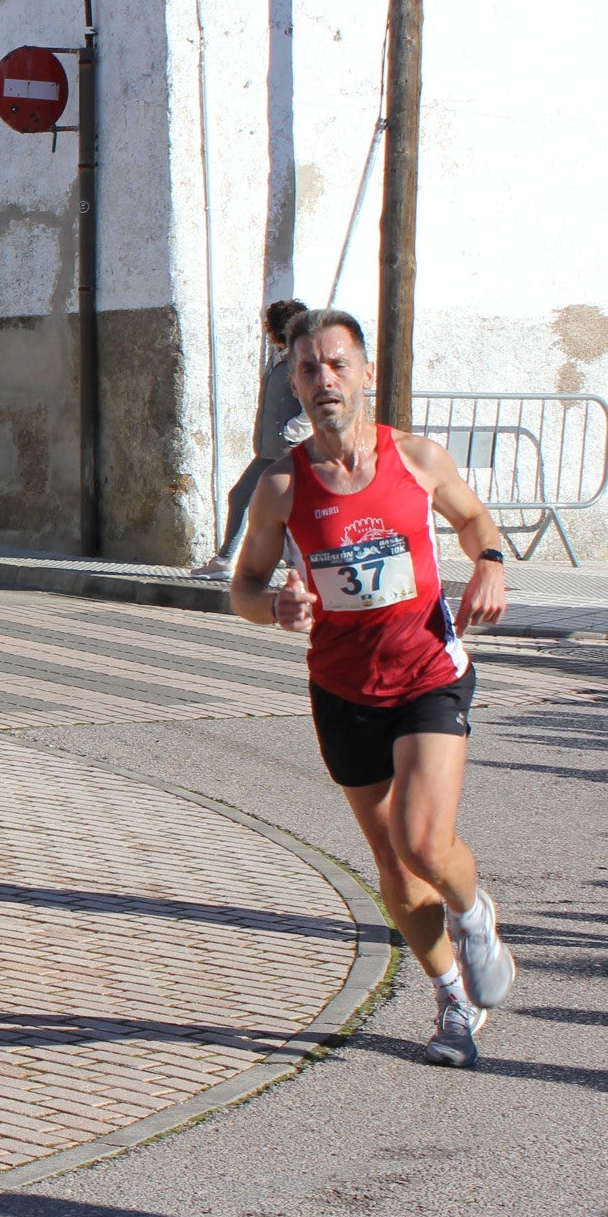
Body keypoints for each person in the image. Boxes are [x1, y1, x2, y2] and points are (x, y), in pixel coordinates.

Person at [227, 308, 517, 1068]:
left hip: (427, 671)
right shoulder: (282, 486)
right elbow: (244, 589)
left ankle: (474, 912)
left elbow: (475, 519)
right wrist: (276, 608)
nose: (324, 380)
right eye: (308, 369)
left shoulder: (415, 457)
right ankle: (451, 995)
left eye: (336, 364)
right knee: (392, 862)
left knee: (424, 839)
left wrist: (488, 560)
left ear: (365, 372)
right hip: (343, 689)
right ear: (293, 383)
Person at [196, 298, 311, 577]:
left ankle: (229, 561)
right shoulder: (283, 359)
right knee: (248, 498)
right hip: (271, 451)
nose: (267, 332)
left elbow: (312, 409)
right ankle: (228, 561)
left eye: (269, 326)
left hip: (288, 450)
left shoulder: (302, 363)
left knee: (276, 505)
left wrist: (289, 432)